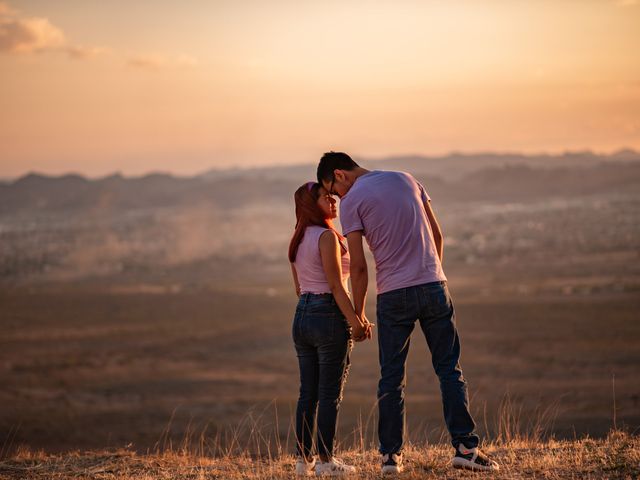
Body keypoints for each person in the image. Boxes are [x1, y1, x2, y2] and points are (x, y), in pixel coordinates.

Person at [317, 152, 499, 473]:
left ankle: (390, 457)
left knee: (391, 377)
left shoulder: (352, 201)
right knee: (448, 369)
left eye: (332, 189)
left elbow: (358, 267)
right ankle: (466, 449)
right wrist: (431, 272)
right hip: (433, 284)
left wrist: (357, 317)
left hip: (393, 295)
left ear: (339, 174)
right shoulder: (407, 178)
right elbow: (437, 235)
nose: (335, 196)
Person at [289, 181, 373, 477]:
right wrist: (356, 322)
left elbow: (299, 288)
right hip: (328, 315)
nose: (333, 201)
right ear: (313, 205)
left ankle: (302, 461)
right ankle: (326, 461)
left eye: (333, 197)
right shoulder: (326, 237)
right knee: (328, 395)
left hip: (302, 316)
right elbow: (337, 286)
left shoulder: (298, 238)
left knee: (306, 394)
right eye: (327, 198)